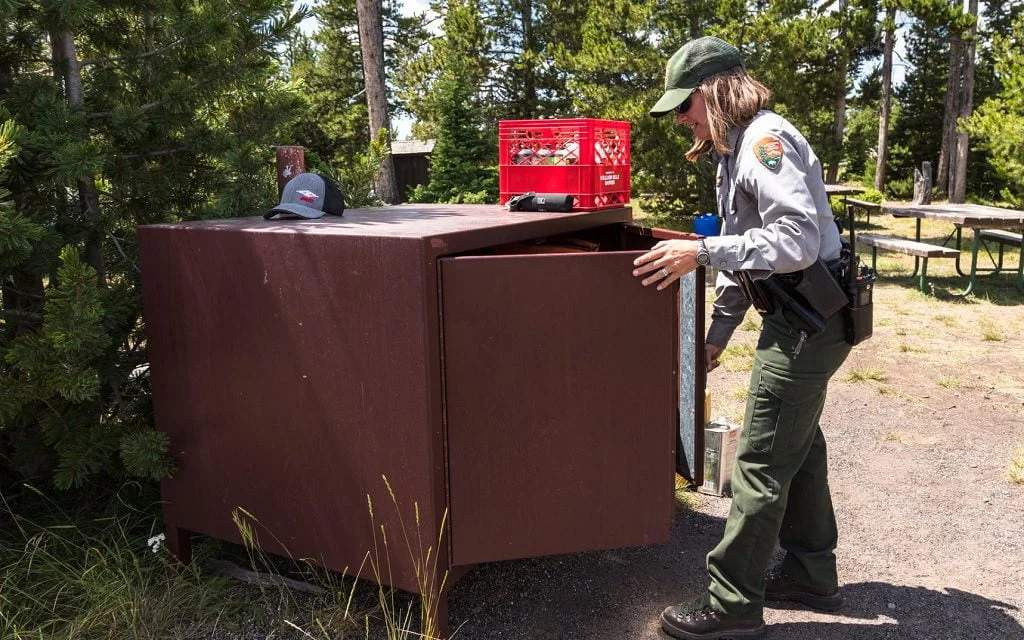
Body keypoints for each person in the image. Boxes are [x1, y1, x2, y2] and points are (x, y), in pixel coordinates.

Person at [632, 36, 853, 640]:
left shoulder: (764, 141)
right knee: (797, 446)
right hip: (800, 317)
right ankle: (811, 572)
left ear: (714, 91)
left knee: (760, 458)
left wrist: (699, 251)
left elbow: (796, 242)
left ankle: (731, 605)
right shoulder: (735, 149)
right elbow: (752, 254)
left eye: (686, 106)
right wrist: (718, 333)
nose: (682, 120)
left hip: (810, 322)